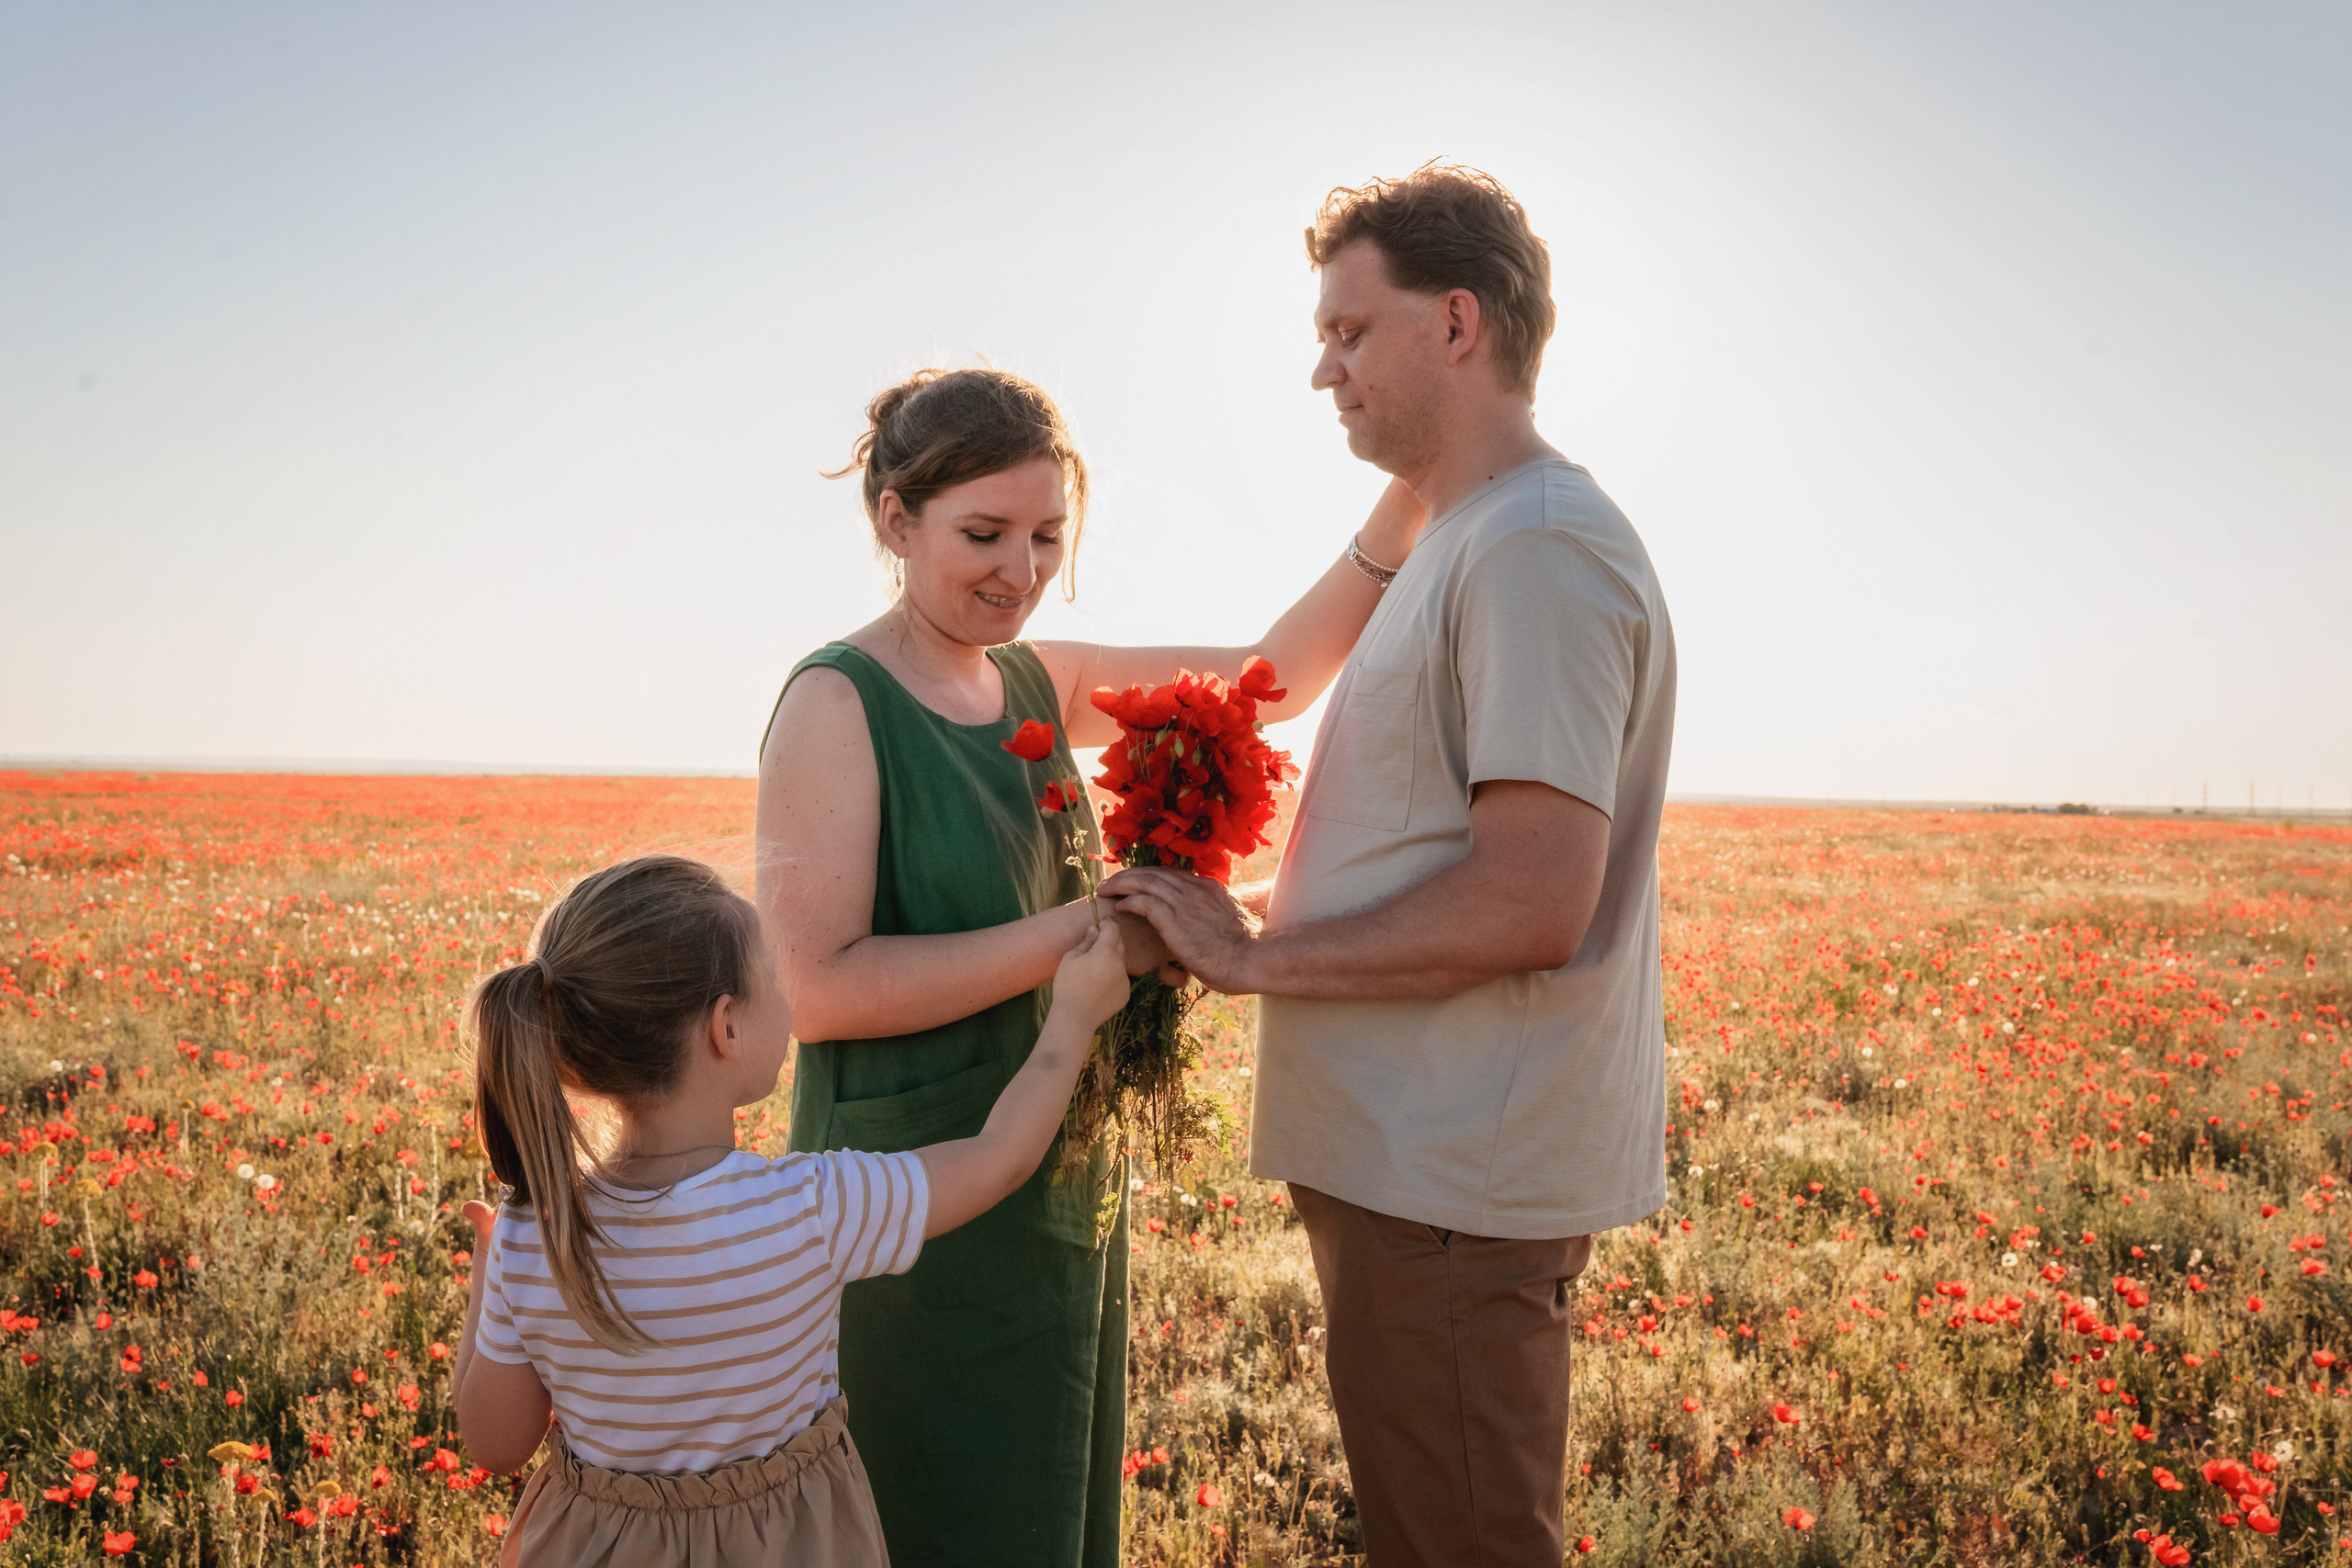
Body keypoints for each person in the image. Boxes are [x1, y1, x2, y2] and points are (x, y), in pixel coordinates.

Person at [1103, 164, 1678, 1567]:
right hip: (1420, 1168)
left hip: (1450, 1187)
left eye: (1351, 330)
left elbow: (1536, 892)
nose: (1323, 369)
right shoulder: (1466, 529)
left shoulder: (1537, 546)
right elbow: (1281, 674)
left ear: (1459, 325)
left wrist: (1252, 956)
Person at [755, 365, 1422, 1567]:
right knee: (926, 1510)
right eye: (983, 533)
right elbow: (818, 986)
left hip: (1052, 1168)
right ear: (894, 520)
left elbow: (1271, 674)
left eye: (1047, 534)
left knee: (1038, 1500)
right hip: (899, 1199)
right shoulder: (836, 700)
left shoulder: (1036, 679)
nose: (1019, 568)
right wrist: (1086, 931)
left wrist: (1406, 500)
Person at [449, 853, 1130, 1567]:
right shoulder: (806, 1208)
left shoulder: (536, 1235)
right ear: (726, 1028)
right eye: (771, 978)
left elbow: (496, 1443)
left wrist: (491, 1272)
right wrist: (1076, 1013)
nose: (786, 995)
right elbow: (1001, 1156)